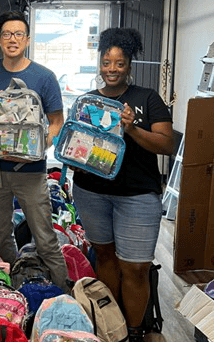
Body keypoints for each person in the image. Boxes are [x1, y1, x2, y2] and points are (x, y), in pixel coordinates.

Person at [71, 28, 173, 342]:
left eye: (119, 63)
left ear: (129, 65)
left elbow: (166, 145)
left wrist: (131, 129)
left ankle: (135, 330)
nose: (112, 69)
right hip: (91, 191)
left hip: (138, 195)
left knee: (136, 268)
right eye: (106, 62)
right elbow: (77, 145)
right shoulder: (86, 101)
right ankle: (111, 326)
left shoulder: (147, 98)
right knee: (104, 256)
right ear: (99, 64)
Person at [0, 11, 69, 293]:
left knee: (46, 239)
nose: (12, 39)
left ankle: (62, 295)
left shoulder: (44, 77)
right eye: (6, 34)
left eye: (18, 34)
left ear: (27, 39)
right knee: (1, 237)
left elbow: (56, 121)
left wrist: (39, 148)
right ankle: (13, 292)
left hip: (32, 172)